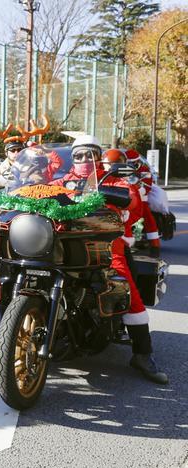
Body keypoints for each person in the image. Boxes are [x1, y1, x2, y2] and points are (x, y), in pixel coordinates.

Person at [54, 136, 167, 384]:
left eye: (90, 154)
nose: (84, 159)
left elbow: (133, 203)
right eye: (79, 155)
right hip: (64, 243)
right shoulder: (62, 181)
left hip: (104, 243)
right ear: (72, 158)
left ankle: (142, 353)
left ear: (98, 156)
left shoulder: (112, 179)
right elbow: (44, 193)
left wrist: (122, 196)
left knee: (124, 284)